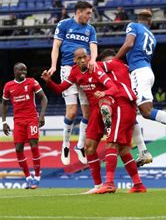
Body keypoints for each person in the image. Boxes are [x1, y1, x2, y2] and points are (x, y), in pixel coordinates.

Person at [42, 48, 142, 194]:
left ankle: (110, 183)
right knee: (89, 147)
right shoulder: (75, 72)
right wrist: (49, 81)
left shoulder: (95, 68)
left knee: (112, 140)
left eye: (85, 57)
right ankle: (98, 185)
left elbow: (113, 88)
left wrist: (104, 93)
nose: (83, 60)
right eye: (79, 58)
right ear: (74, 61)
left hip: (108, 102)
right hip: (94, 111)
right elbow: (60, 89)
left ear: (88, 57)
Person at [115, 10, 166, 165]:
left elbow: (129, 44)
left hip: (139, 73)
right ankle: (143, 152)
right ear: (150, 22)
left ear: (138, 19)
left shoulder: (133, 25)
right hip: (145, 71)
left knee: (146, 111)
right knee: (130, 111)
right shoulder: (152, 37)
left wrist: (114, 60)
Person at [47, 0, 97, 166]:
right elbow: (55, 47)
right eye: (88, 13)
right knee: (72, 111)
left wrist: (94, 61)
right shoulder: (64, 24)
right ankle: (66, 145)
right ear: (79, 12)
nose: (90, 16)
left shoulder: (90, 29)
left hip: (85, 71)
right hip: (68, 69)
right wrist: (54, 66)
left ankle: (80, 146)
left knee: (87, 113)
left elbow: (93, 47)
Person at [96, 49, 147, 193]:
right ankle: (138, 184)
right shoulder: (124, 68)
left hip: (121, 105)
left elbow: (93, 66)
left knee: (111, 142)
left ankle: (110, 183)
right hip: (129, 107)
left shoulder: (113, 64)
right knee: (123, 149)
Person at [2, 63, 48, 189]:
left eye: (25, 70)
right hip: (18, 121)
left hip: (32, 119)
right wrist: (4, 122)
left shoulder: (32, 82)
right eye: (21, 69)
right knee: (18, 148)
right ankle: (28, 177)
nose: (24, 71)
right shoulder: (8, 86)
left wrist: (42, 115)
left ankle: (37, 176)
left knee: (34, 145)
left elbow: (44, 98)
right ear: (15, 70)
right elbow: (4, 104)